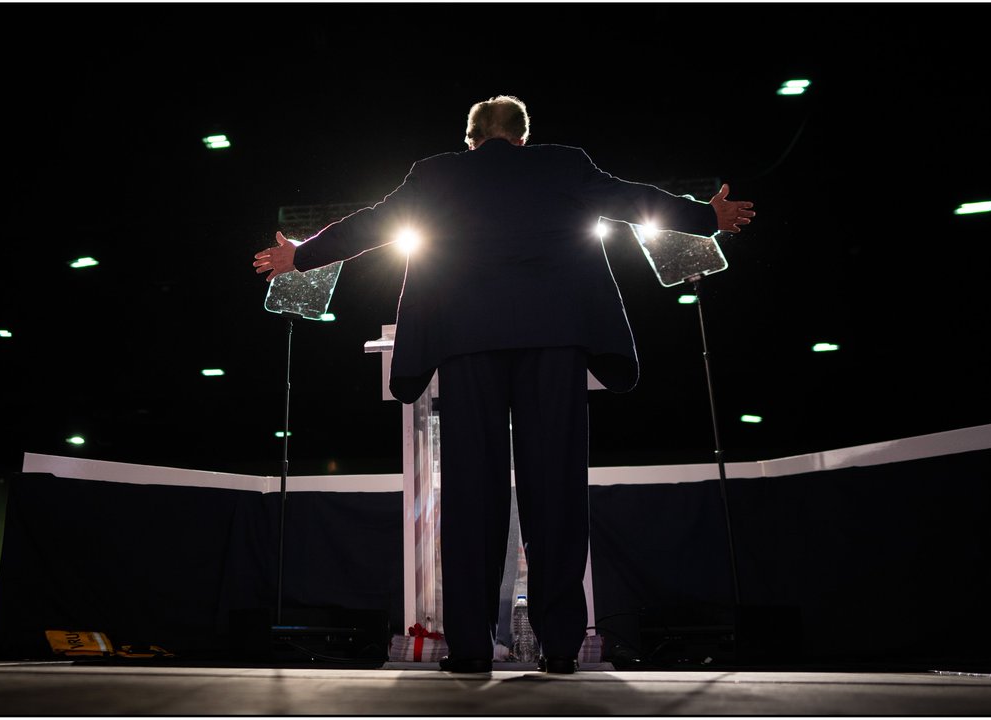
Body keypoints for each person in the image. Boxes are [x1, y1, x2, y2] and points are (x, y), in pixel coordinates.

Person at [254, 95, 754, 674]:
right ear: (522, 136)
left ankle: (469, 648)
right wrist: (704, 218)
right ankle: (561, 648)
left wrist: (302, 256)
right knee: (557, 488)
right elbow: (631, 200)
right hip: (555, 339)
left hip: (467, 343)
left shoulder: (435, 173)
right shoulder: (563, 163)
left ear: (470, 139)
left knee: (472, 493)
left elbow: (372, 224)